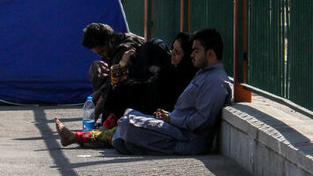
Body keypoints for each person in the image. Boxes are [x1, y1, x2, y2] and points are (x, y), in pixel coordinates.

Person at [55, 32, 198, 149]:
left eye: (177, 53)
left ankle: (79, 137)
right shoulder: (170, 71)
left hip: (172, 126)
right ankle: (84, 136)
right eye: (172, 51)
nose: (172, 55)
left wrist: (123, 65)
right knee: (125, 104)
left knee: (125, 126)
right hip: (153, 115)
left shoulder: (188, 79)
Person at [111, 28, 233, 155]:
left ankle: (132, 142)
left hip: (186, 137)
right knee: (129, 114)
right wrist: (169, 117)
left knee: (128, 124)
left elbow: (201, 122)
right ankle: (132, 142)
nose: (192, 55)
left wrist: (171, 119)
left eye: (196, 51)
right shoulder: (204, 74)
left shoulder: (214, 82)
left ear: (210, 54)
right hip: (176, 128)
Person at [81, 23, 145, 124]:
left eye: (102, 52)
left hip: (140, 92)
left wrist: (92, 119)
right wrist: (98, 92)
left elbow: (113, 84)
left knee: (109, 86)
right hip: (129, 83)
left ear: (110, 42)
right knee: (97, 67)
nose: (101, 56)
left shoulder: (123, 50)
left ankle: (110, 121)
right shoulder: (117, 41)